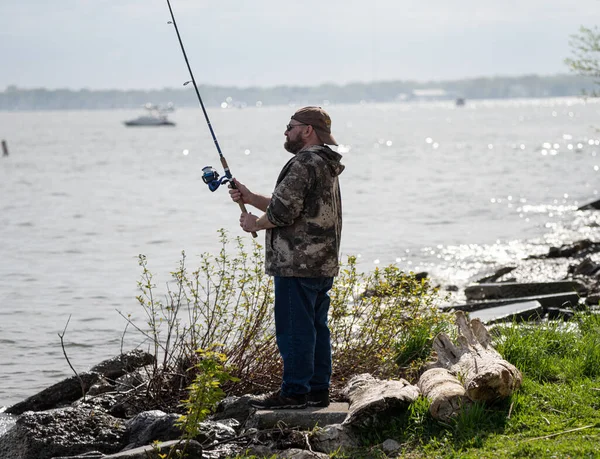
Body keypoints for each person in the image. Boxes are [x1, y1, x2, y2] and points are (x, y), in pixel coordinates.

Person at [229, 106, 344, 409]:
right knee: (316, 327)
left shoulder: (303, 162)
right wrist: (251, 197)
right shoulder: (324, 162)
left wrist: (255, 223)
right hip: (322, 262)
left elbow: (282, 212)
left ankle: (294, 393)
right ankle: (317, 391)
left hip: (298, 264)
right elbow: (293, 205)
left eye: (290, 126)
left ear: (307, 130)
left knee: (294, 329)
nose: (286, 131)